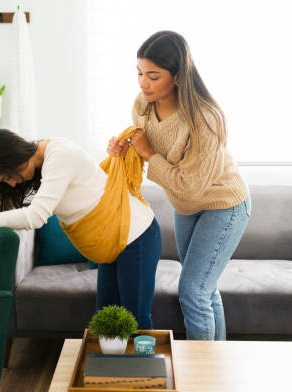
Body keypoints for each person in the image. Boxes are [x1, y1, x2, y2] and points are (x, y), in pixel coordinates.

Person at [107, 30, 251, 340]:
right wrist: (125, 148)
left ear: (176, 77)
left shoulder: (205, 119)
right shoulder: (143, 105)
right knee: (204, 290)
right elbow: (144, 146)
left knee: (192, 291)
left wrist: (146, 152)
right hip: (185, 207)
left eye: (153, 76)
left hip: (223, 204)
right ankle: (217, 365)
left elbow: (191, 186)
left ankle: (200, 377)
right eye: (139, 73)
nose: (143, 83)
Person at [0, 129, 162, 329]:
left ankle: (143, 367)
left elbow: (36, 216)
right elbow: (17, 205)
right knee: (107, 322)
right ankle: (111, 368)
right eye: (5, 181)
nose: (13, 184)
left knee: (134, 322)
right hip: (110, 243)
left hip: (136, 236)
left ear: (13, 155)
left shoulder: (60, 156)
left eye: (8, 176)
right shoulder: (38, 166)